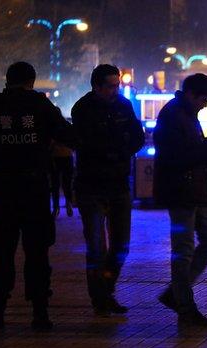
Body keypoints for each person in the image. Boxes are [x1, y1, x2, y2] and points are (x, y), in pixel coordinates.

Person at [0, 62, 76, 330]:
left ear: (7, 80)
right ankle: (40, 313)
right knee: (38, 253)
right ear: (32, 80)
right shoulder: (42, 106)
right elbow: (67, 135)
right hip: (35, 189)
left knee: (2, 252)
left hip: (4, 189)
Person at [153, 73, 207, 326]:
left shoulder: (186, 114)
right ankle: (185, 306)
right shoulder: (172, 116)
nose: (205, 104)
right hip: (181, 193)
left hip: (199, 190)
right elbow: (173, 156)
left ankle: (175, 294)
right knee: (183, 250)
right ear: (190, 94)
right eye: (203, 99)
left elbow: (190, 149)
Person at [71, 64, 144, 316]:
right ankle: (100, 297)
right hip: (91, 185)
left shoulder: (123, 106)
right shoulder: (83, 108)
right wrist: (111, 149)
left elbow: (137, 135)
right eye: (110, 86)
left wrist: (123, 151)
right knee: (96, 246)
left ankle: (107, 288)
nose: (115, 90)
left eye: (117, 85)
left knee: (121, 244)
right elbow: (87, 142)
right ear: (97, 86)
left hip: (119, 183)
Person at [49, 140, 75, 217]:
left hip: (65, 155)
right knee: (57, 184)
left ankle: (65, 205)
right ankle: (57, 206)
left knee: (65, 183)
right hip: (58, 155)